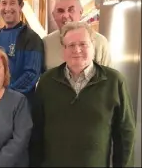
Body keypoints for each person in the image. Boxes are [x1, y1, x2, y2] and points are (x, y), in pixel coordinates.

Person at [30, 21, 135, 167]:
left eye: (83, 44)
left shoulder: (114, 82)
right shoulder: (47, 82)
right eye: (71, 45)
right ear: (63, 50)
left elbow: (125, 134)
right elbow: (36, 132)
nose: (77, 50)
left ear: (93, 46)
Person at [0, 0, 44, 103]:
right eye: (4, 3)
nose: (7, 8)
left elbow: (31, 74)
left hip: (22, 103)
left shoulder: (31, 38)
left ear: (21, 6)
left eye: (12, 3)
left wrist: (7, 94)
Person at [43, 0, 111, 70]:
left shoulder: (100, 42)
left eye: (71, 10)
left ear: (81, 12)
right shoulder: (46, 43)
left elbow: (108, 77)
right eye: (60, 11)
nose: (65, 15)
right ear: (53, 15)